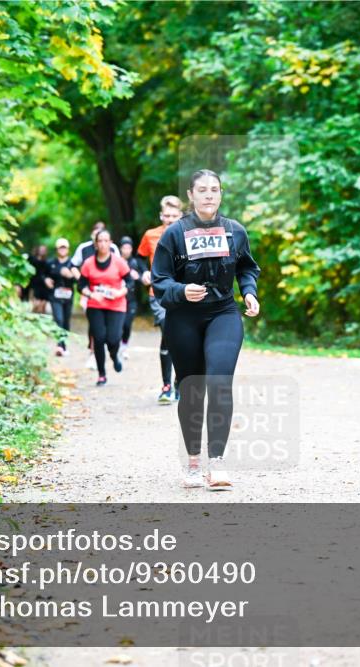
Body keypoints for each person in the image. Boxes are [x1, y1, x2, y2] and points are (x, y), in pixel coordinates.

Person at [151, 170, 260, 490]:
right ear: (191, 195)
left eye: (215, 190)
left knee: (220, 381)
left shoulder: (235, 231)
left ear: (221, 195)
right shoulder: (174, 234)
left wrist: (250, 291)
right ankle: (194, 462)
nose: (209, 195)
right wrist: (181, 291)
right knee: (192, 389)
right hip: (183, 317)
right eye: (203, 190)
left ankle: (218, 462)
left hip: (223, 312)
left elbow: (246, 267)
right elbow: (160, 282)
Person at [138, 195, 183, 404]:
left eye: (174, 216)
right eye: (167, 216)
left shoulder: (190, 235)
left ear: (181, 215)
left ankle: (179, 382)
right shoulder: (150, 235)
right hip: (158, 294)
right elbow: (138, 258)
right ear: (161, 215)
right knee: (168, 328)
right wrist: (143, 273)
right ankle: (166, 386)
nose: (170, 219)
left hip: (183, 294)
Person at [79, 229, 133, 386]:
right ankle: (101, 374)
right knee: (99, 338)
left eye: (105, 241)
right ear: (96, 244)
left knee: (113, 339)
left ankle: (114, 356)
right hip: (95, 305)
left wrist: (119, 292)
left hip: (116, 305)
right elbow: (81, 285)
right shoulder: (89, 263)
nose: (103, 244)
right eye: (100, 241)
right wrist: (90, 294)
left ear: (110, 243)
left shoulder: (119, 262)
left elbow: (129, 282)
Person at [71, 222, 120, 370]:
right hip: (90, 293)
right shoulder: (83, 248)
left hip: (111, 294)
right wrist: (83, 281)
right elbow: (73, 265)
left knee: (111, 331)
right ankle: (93, 352)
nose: (102, 242)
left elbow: (120, 267)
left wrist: (118, 290)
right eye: (97, 235)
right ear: (93, 236)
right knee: (94, 325)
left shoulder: (113, 249)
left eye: (104, 236)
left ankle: (112, 350)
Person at [45, 238, 75, 356]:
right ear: (57, 249)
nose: (62, 250)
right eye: (60, 248)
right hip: (55, 296)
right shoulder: (50, 263)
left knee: (66, 321)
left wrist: (70, 275)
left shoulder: (72, 263)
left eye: (64, 247)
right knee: (59, 319)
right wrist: (46, 280)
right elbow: (43, 275)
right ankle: (59, 345)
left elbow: (80, 279)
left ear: (68, 249)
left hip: (68, 296)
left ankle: (64, 345)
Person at [118, 236, 146, 360]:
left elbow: (144, 279)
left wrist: (138, 277)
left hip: (131, 299)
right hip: (117, 298)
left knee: (127, 324)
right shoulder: (115, 261)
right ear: (120, 248)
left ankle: (124, 346)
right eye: (124, 247)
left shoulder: (135, 262)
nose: (127, 250)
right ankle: (117, 345)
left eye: (129, 248)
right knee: (119, 324)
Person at [27, 245, 50, 314]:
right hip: (34, 285)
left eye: (44, 249)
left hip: (44, 287)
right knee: (35, 305)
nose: (42, 251)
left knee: (42, 307)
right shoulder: (31, 259)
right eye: (41, 249)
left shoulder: (47, 262)